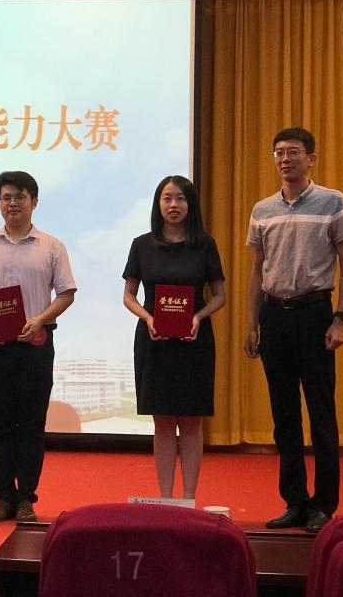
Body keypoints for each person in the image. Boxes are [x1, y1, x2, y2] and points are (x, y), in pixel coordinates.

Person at [245, 128, 343, 534]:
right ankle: (294, 501)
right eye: (278, 152)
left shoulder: (332, 201)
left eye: (293, 152)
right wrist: (252, 323)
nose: (285, 159)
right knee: (284, 415)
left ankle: (323, 504)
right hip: (274, 316)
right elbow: (257, 271)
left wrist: (340, 318)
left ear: (311, 159)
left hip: (314, 314)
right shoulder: (262, 209)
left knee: (321, 413)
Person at [0, 171, 77, 523]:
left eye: (20, 197)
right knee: (1, 423)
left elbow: (66, 293)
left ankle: (26, 497)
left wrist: (40, 319)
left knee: (32, 422)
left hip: (36, 343)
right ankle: (3, 497)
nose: (12, 203)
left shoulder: (52, 246)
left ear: (33, 202)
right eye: (6, 197)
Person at [123, 175, 226, 500]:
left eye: (180, 198)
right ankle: (166, 499)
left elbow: (220, 296)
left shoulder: (204, 244)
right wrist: (148, 318)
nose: (173, 205)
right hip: (154, 342)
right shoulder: (142, 244)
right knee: (163, 421)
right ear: (158, 204)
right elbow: (129, 296)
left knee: (192, 422)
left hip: (194, 342)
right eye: (167, 198)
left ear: (190, 204)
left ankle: (188, 499)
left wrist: (198, 316)